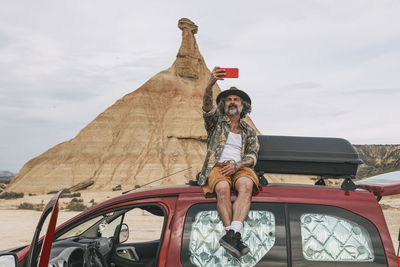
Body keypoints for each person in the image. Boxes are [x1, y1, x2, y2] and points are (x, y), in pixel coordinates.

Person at [198, 66, 260, 258]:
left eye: (237, 99)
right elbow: (207, 106)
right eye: (229, 99)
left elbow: (252, 156)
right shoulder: (216, 122)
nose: (233, 102)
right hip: (217, 166)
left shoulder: (248, 131)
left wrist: (238, 165)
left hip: (240, 167)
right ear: (224, 104)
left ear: (243, 106)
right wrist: (210, 84)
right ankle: (232, 235)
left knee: (246, 185)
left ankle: (232, 235)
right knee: (223, 189)